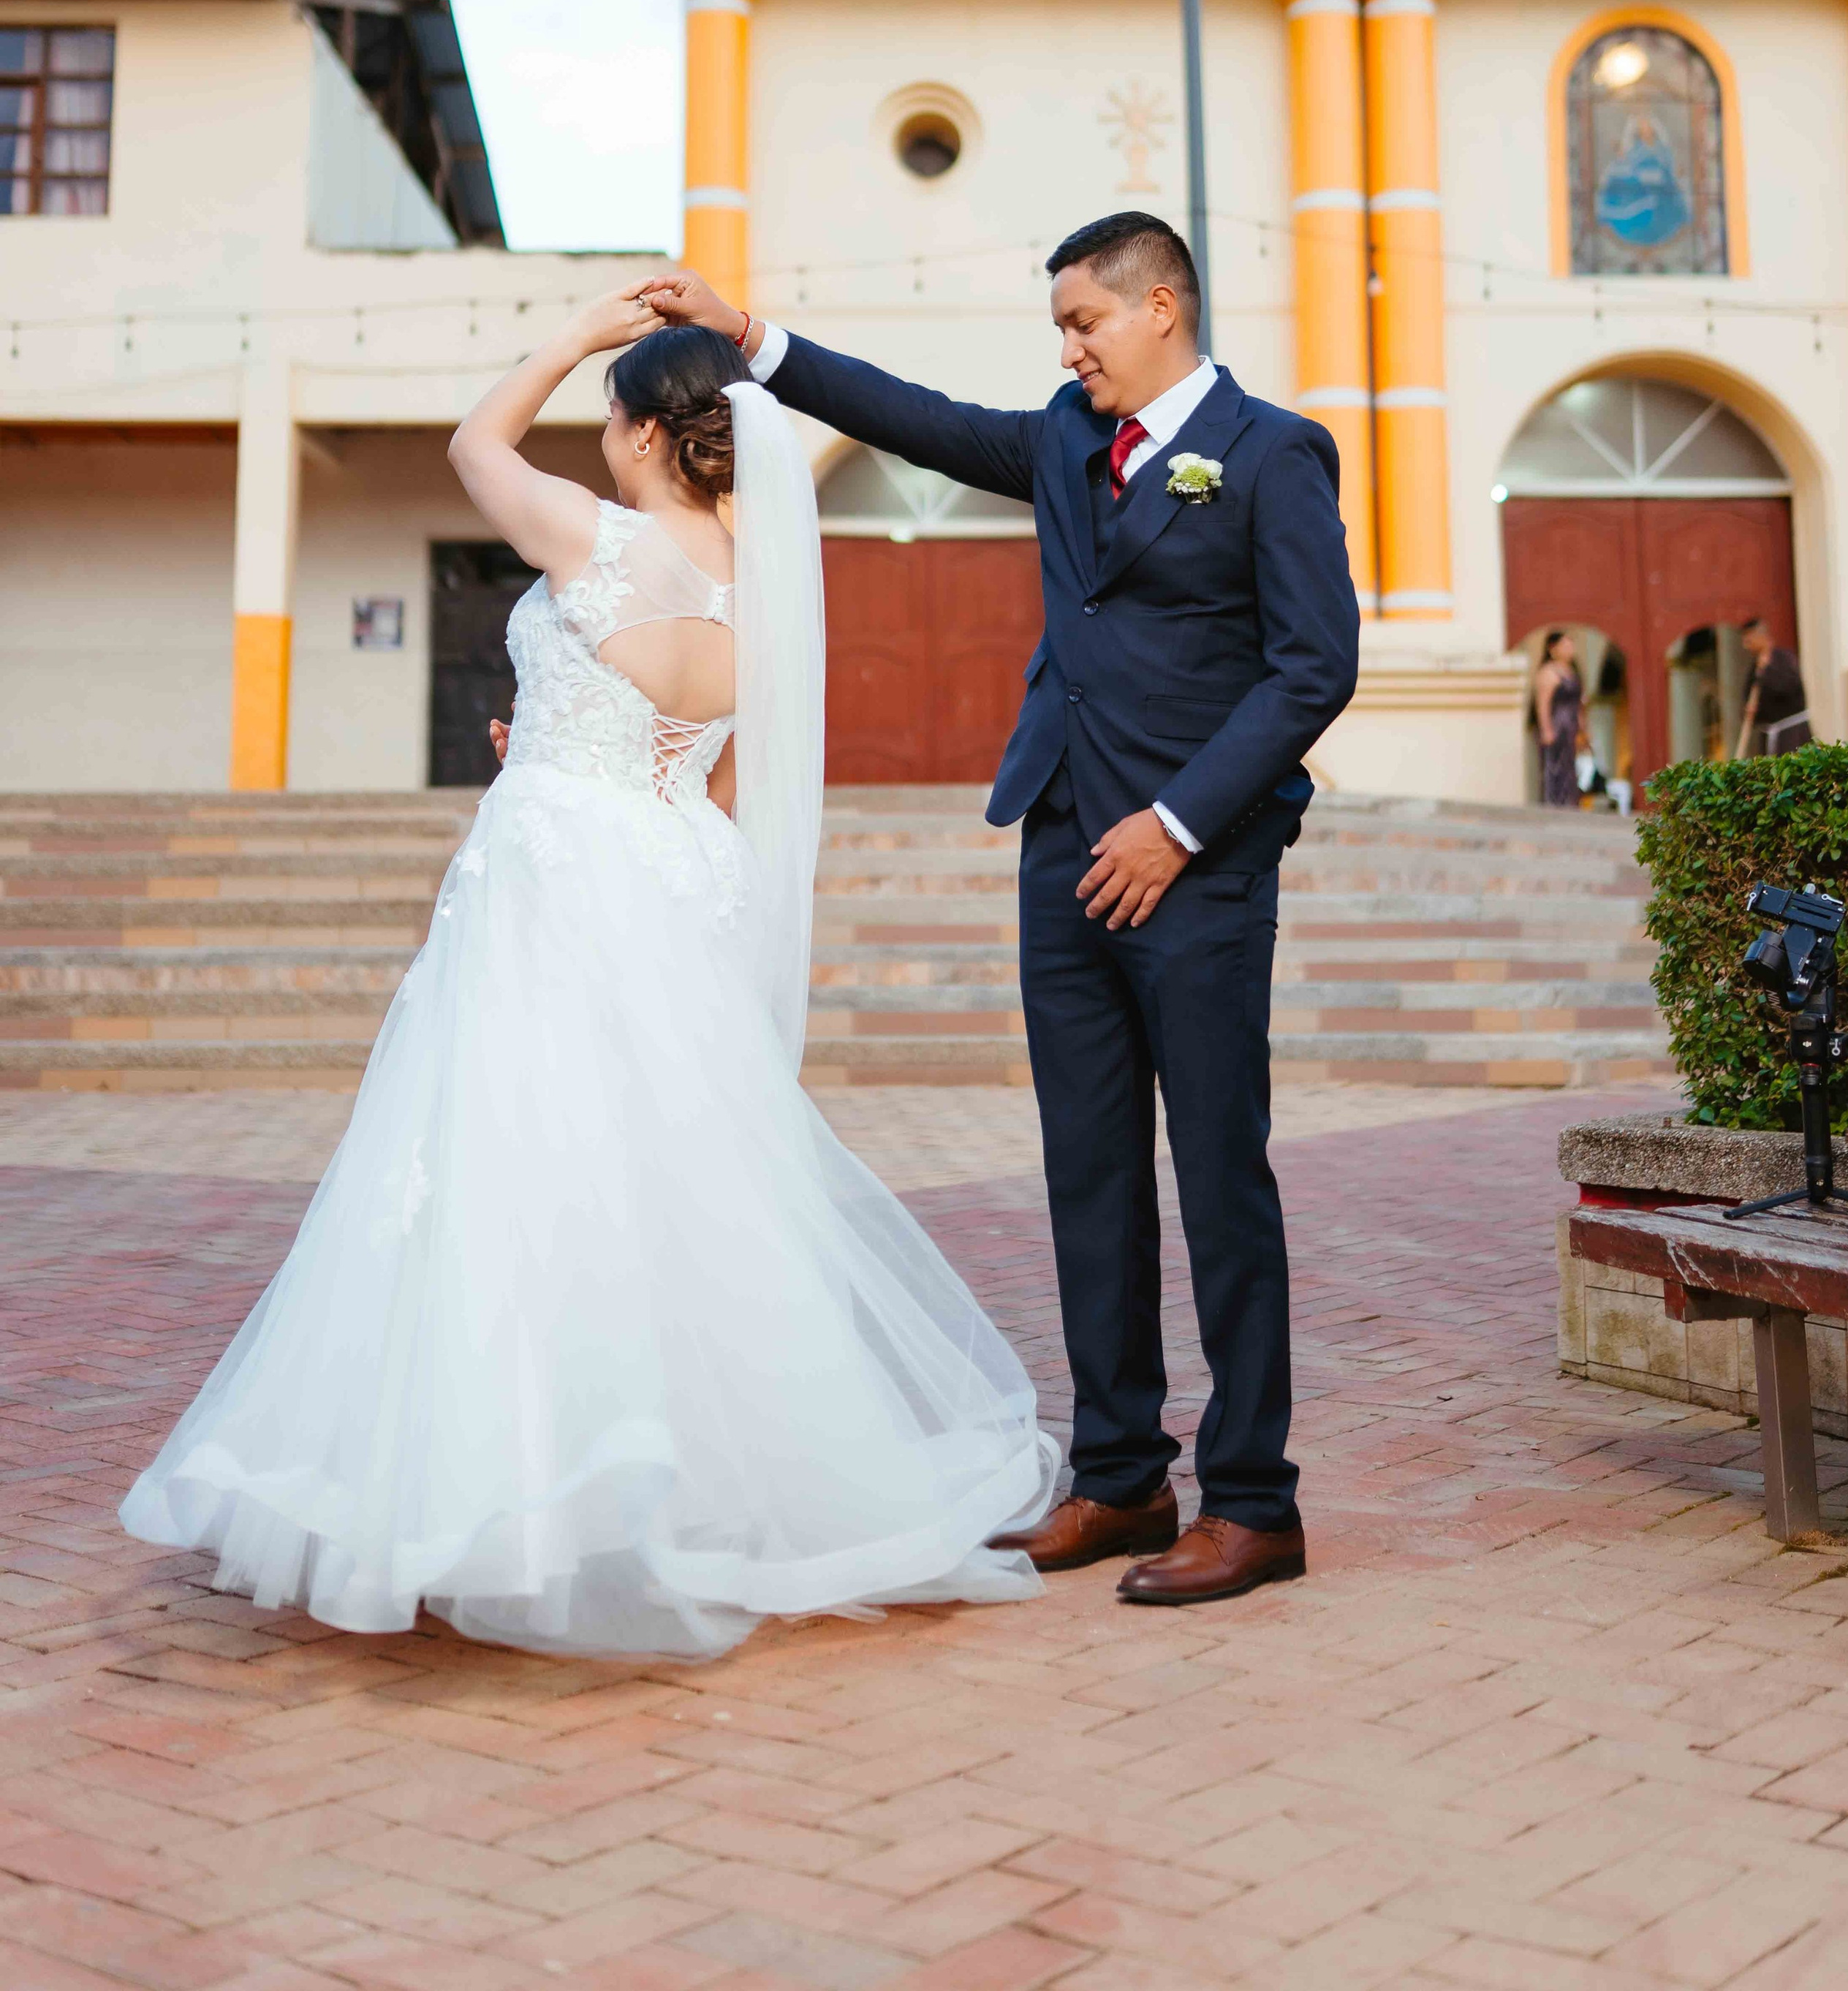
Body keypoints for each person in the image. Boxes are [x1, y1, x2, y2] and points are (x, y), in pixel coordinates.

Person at [121, 295, 1056, 1658]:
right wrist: (572, 733)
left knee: (513, 1167)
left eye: (609, 411)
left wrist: (563, 334)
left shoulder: (596, 535)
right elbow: (717, 763)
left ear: (639, 431)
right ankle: (674, 1485)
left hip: (558, 872)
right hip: (676, 870)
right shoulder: (760, 583)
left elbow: (470, 443)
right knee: (662, 1181)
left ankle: (507, 1500)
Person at [643, 211, 1360, 1609]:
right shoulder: (1060, 440)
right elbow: (914, 420)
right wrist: (747, 338)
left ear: (1162, 307)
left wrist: (1179, 822)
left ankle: (1255, 1504)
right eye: (1060, 331)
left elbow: (1312, 669)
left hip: (1198, 868)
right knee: (1087, 1172)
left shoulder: (1274, 454)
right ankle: (1119, 1478)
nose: (1070, 348)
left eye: (1085, 322)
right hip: (1059, 848)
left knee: (1219, 1177)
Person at [1737, 616, 1811, 756]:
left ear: (1761, 636)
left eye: (1749, 641)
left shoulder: (1785, 659)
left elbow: (1787, 688)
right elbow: (1749, 700)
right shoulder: (1754, 669)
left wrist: (1766, 672)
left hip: (1793, 735)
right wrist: (1750, 710)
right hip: (1769, 737)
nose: (1746, 646)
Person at [1533, 629, 1584, 806]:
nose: (1570, 649)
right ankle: (1554, 802)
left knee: (1569, 767)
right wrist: (1547, 729)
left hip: (1570, 726)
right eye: (1565, 645)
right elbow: (1543, 703)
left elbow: (1578, 703)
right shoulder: (1548, 672)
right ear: (1553, 648)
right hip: (1557, 725)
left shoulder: (1572, 671)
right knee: (1554, 766)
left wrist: (1583, 726)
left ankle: (1569, 802)